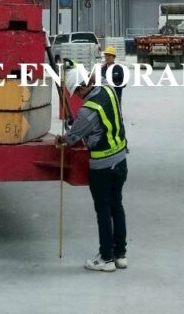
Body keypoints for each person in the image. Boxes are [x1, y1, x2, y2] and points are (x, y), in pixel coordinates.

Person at [56, 66, 128, 272]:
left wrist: (61, 139)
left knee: (103, 210)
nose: (78, 97)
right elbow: (99, 76)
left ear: (80, 88)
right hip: (121, 161)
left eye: (77, 93)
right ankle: (120, 255)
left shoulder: (88, 111)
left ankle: (106, 258)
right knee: (117, 206)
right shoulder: (109, 89)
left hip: (102, 167)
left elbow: (71, 138)